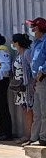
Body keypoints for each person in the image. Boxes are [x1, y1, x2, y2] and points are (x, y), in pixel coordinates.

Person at [10, 33, 35, 144]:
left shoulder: (27, 53)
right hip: (20, 89)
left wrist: (31, 84)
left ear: (17, 43)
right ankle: (28, 134)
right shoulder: (18, 54)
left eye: (14, 42)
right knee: (25, 111)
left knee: (30, 111)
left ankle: (29, 136)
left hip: (27, 87)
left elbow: (32, 69)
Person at [28, 18, 46, 146]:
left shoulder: (45, 41)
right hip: (37, 80)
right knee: (37, 111)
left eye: (34, 27)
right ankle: (34, 138)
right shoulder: (36, 43)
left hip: (43, 79)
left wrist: (42, 72)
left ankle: (43, 138)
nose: (32, 30)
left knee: (44, 111)